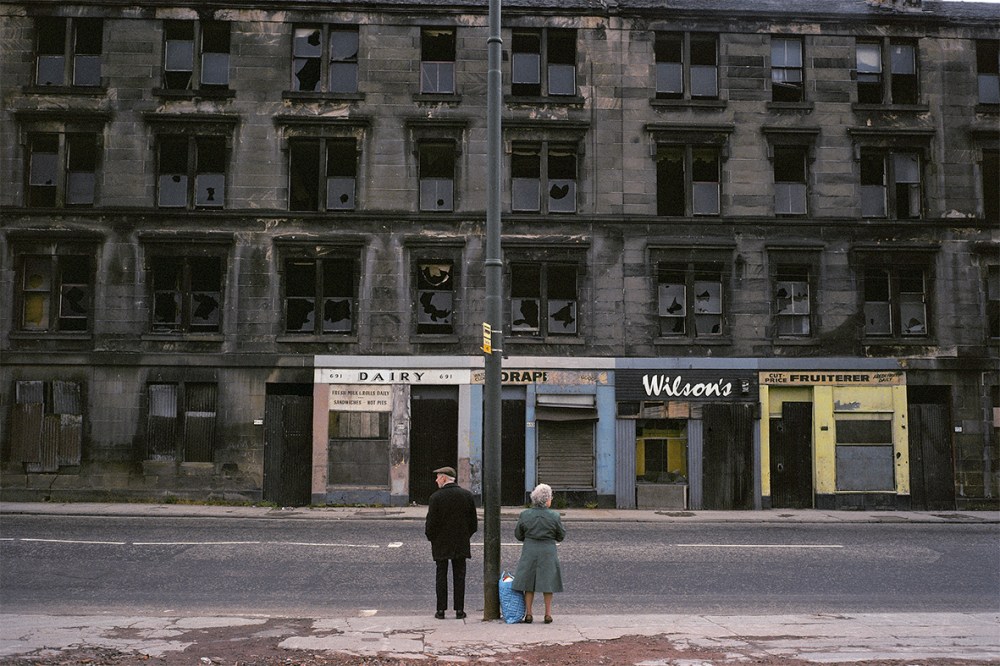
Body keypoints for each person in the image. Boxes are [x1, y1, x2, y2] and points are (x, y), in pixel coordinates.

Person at [424, 465, 478, 620]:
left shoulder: (436, 497)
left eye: (438, 477)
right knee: (459, 576)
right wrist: (465, 536)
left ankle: (441, 610)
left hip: (440, 543)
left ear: (444, 478)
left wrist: (432, 538)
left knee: (441, 575)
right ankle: (459, 610)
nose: (436, 480)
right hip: (460, 542)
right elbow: (473, 523)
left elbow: (431, 524)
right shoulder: (467, 496)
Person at [512, 483, 565, 624]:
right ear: (547, 499)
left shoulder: (525, 514)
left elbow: (518, 534)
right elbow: (561, 536)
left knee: (529, 583)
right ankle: (547, 614)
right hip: (548, 550)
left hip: (530, 549)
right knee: (548, 583)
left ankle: (529, 614)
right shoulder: (554, 516)